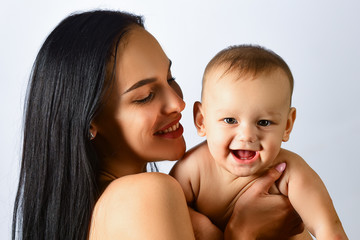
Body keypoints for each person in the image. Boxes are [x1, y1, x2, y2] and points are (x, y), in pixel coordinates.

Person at [12, 10, 305, 240]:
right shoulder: (145, 194)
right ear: (90, 122)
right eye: (145, 96)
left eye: (170, 78)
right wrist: (244, 233)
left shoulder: (99, 210)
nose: (178, 103)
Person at [170, 45, 348, 240]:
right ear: (202, 121)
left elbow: (329, 230)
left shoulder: (290, 172)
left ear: (287, 126)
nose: (247, 136)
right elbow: (166, 212)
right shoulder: (191, 171)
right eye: (230, 120)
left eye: (264, 122)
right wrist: (201, 227)